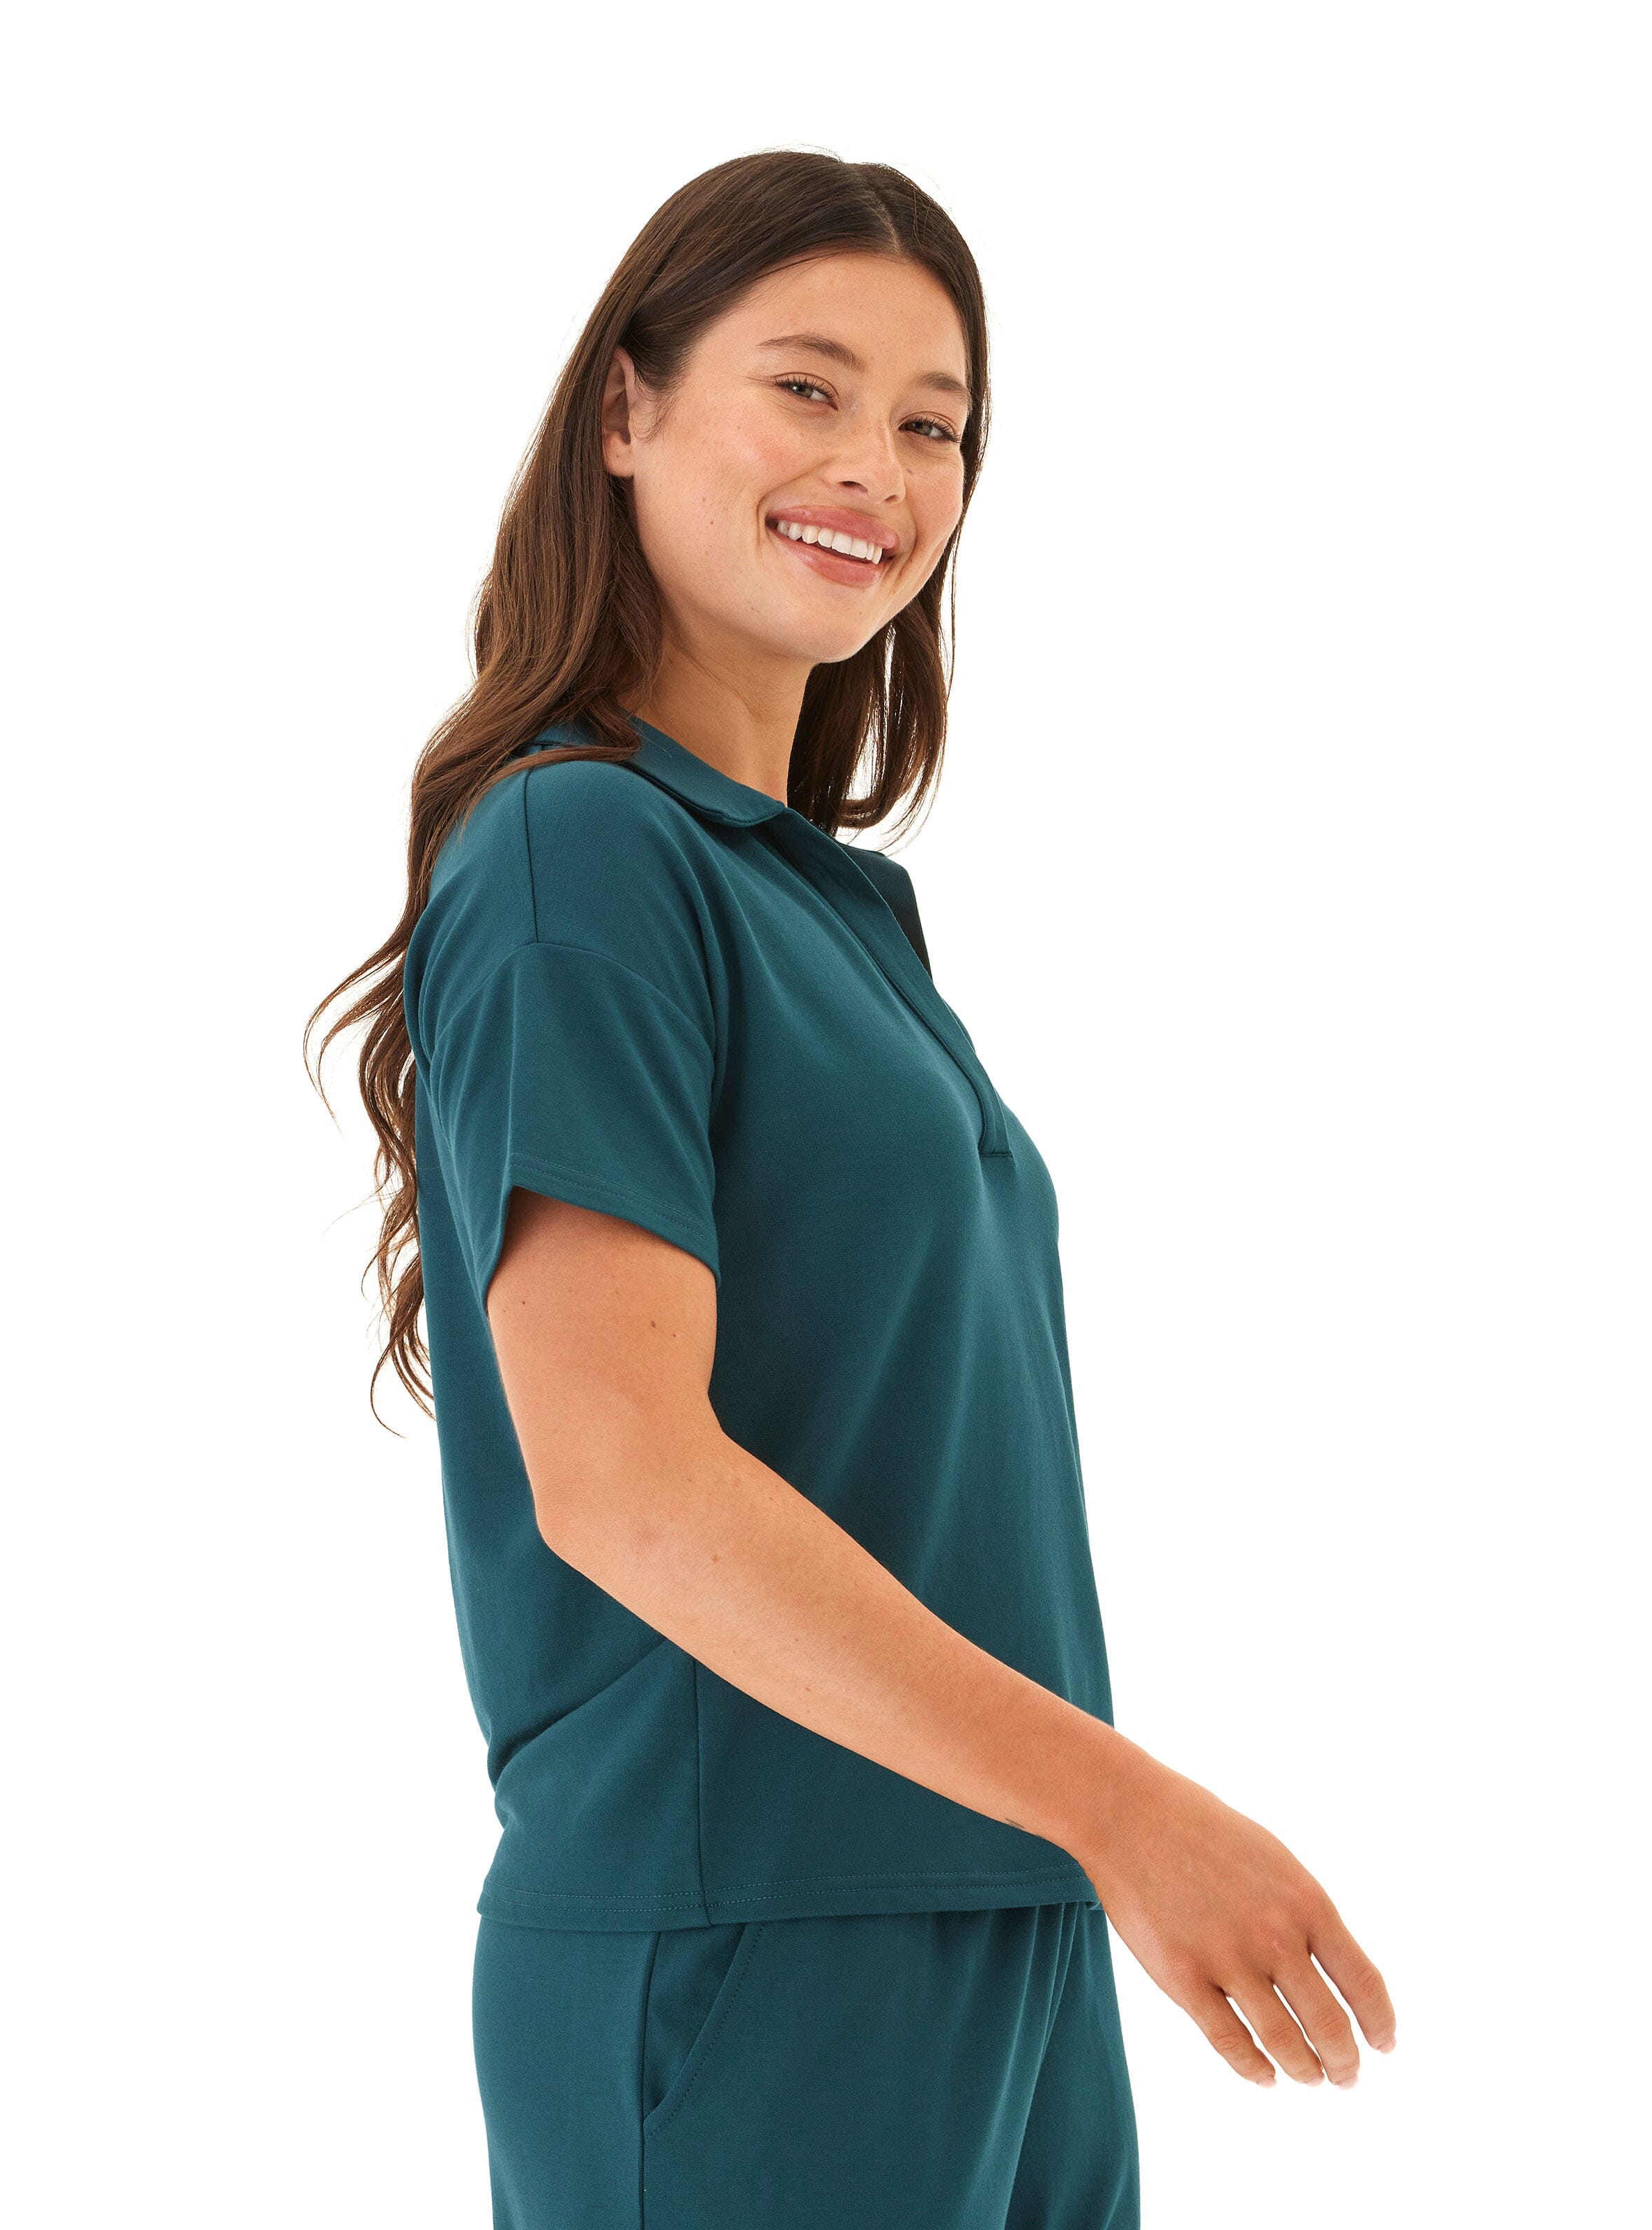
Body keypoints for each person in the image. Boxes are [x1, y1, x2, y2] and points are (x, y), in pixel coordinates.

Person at [307, 148, 1396, 2230]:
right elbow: (621, 1482)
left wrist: (1073, 1846)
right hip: (753, 1955)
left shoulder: (828, 912)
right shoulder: (579, 854)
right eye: (805, 388)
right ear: (623, 411)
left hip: (997, 1924)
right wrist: (1129, 1813)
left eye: (933, 422)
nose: (874, 469)